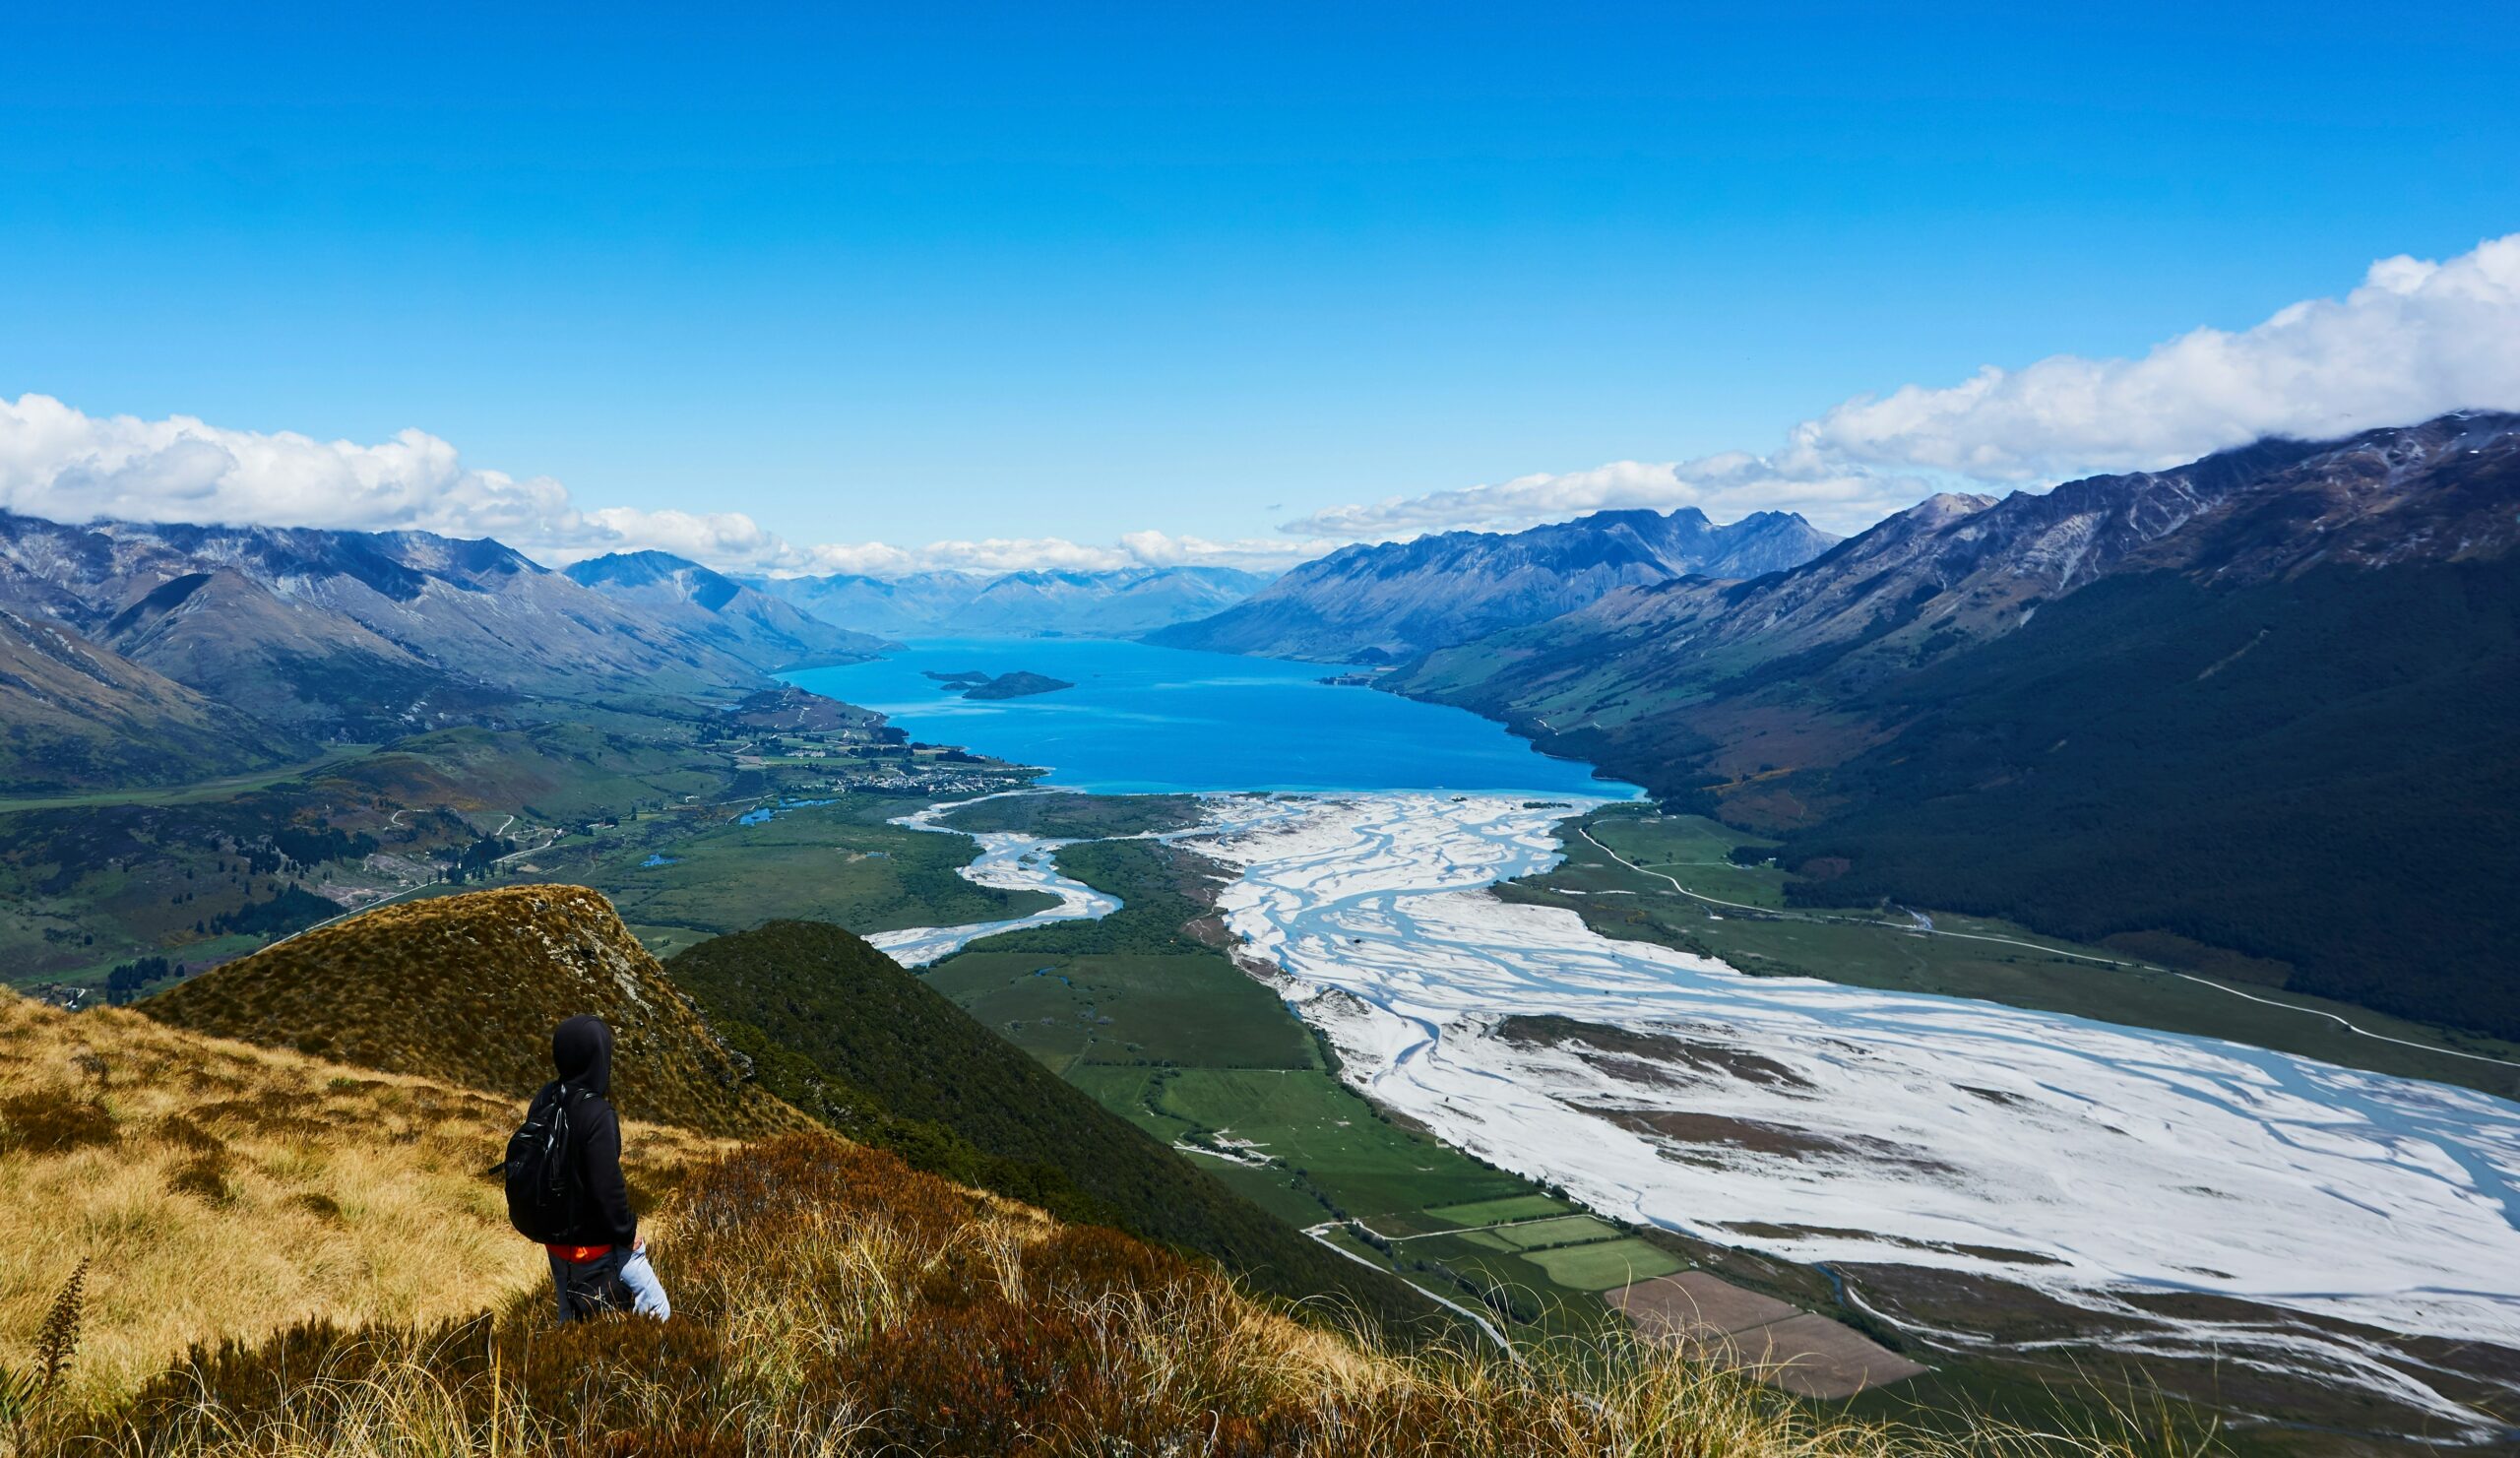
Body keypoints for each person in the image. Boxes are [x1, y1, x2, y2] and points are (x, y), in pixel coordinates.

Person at [541, 1014, 671, 1324]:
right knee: (657, 1312)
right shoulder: (597, 1113)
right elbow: (607, 1186)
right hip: (595, 1244)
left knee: (572, 1319)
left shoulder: (545, 1098)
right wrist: (627, 1234)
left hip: (556, 1241)